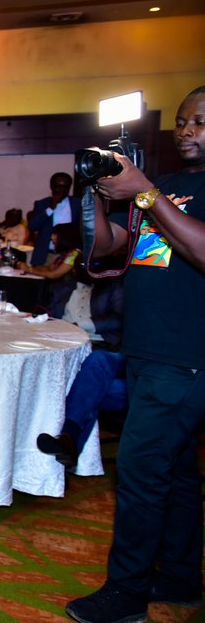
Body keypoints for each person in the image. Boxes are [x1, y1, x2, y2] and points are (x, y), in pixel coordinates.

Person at [63, 86, 205, 623]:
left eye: (201, 122)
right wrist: (97, 194)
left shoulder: (159, 190)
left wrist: (144, 191)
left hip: (187, 352)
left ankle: (126, 594)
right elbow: (107, 246)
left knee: (141, 470)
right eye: (182, 121)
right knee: (177, 472)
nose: (187, 130)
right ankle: (181, 577)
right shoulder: (169, 186)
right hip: (147, 347)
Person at [37, 349, 127, 467]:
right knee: (98, 358)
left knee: (93, 387)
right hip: (138, 358)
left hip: (149, 378)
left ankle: (69, 437)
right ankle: (69, 440)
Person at [17, 222, 81, 317]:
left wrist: (29, 270)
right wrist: (30, 268)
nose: (52, 237)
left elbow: (55, 274)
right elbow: (49, 268)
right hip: (57, 293)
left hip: (64, 296)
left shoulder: (74, 254)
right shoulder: (65, 254)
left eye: (55, 234)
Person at [29, 171, 80, 265]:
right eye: (58, 186)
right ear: (52, 186)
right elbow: (33, 226)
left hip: (69, 255)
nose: (62, 190)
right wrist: (50, 208)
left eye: (65, 187)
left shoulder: (77, 204)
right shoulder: (42, 204)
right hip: (46, 255)